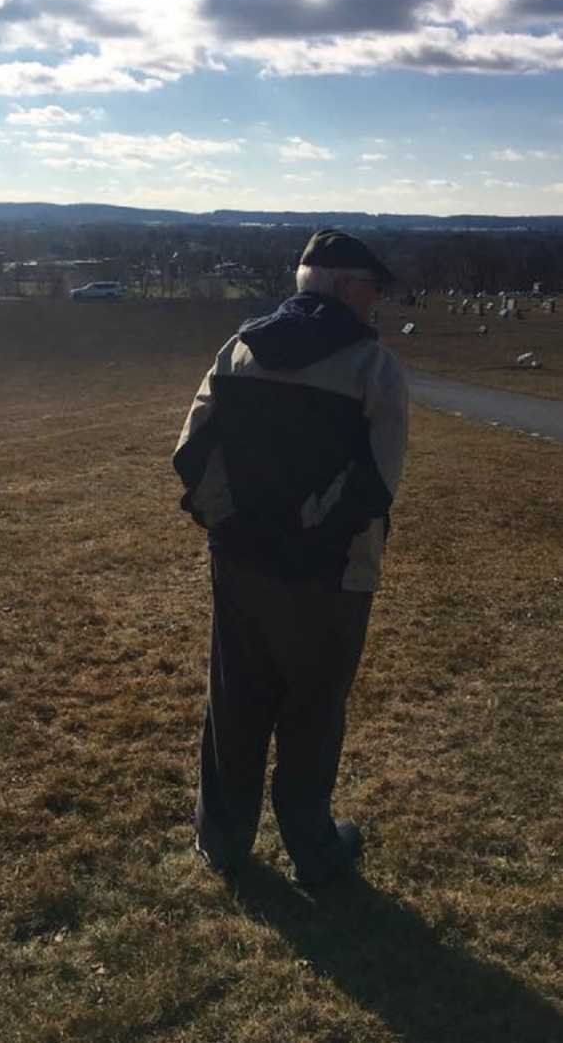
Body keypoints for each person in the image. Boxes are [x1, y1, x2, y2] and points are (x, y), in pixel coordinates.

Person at [173, 229, 408, 887]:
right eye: (370, 287)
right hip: (331, 576)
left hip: (241, 564)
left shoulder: (239, 347)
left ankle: (222, 838)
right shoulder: (373, 365)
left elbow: (194, 453)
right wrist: (310, 537)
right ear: (340, 285)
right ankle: (311, 845)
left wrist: (231, 524)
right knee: (313, 710)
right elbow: (376, 482)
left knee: (236, 698)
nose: (376, 301)